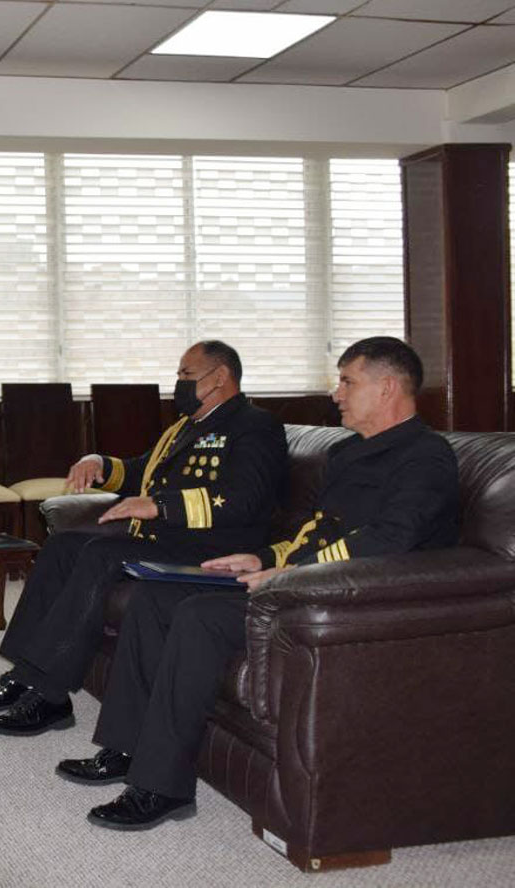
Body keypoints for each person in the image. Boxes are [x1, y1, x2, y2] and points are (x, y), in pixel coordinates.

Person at [66, 337, 459, 830]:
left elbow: (389, 540)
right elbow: (314, 533)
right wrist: (264, 557)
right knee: (154, 597)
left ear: (387, 388)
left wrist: (289, 573)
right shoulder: (348, 452)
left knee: (199, 616)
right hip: (299, 580)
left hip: (342, 600)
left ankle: (161, 787)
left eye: (347, 381)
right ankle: (127, 748)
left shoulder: (425, 457)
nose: (336, 393)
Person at [0, 340, 288, 736]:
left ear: (220, 377)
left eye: (186, 375)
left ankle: (49, 695)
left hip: (211, 549)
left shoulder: (256, 426)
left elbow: (244, 499)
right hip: (168, 539)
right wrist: (98, 462)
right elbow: (142, 472)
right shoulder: (185, 427)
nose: (178, 383)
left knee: (101, 554)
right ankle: (24, 674)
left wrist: (160, 506)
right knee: (62, 547)